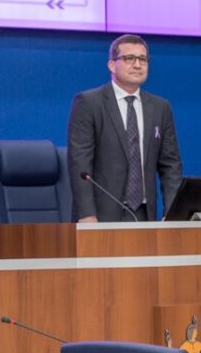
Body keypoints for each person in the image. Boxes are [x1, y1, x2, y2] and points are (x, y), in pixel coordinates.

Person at [67, 35, 183, 222]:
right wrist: (87, 215)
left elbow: (171, 166)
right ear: (112, 65)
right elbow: (80, 164)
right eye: (129, 58)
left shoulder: (161, 107)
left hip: (145, 214)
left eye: (143, 59)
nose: (137, 65)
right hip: (102, 217)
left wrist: (173, 213)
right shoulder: (89, 103)